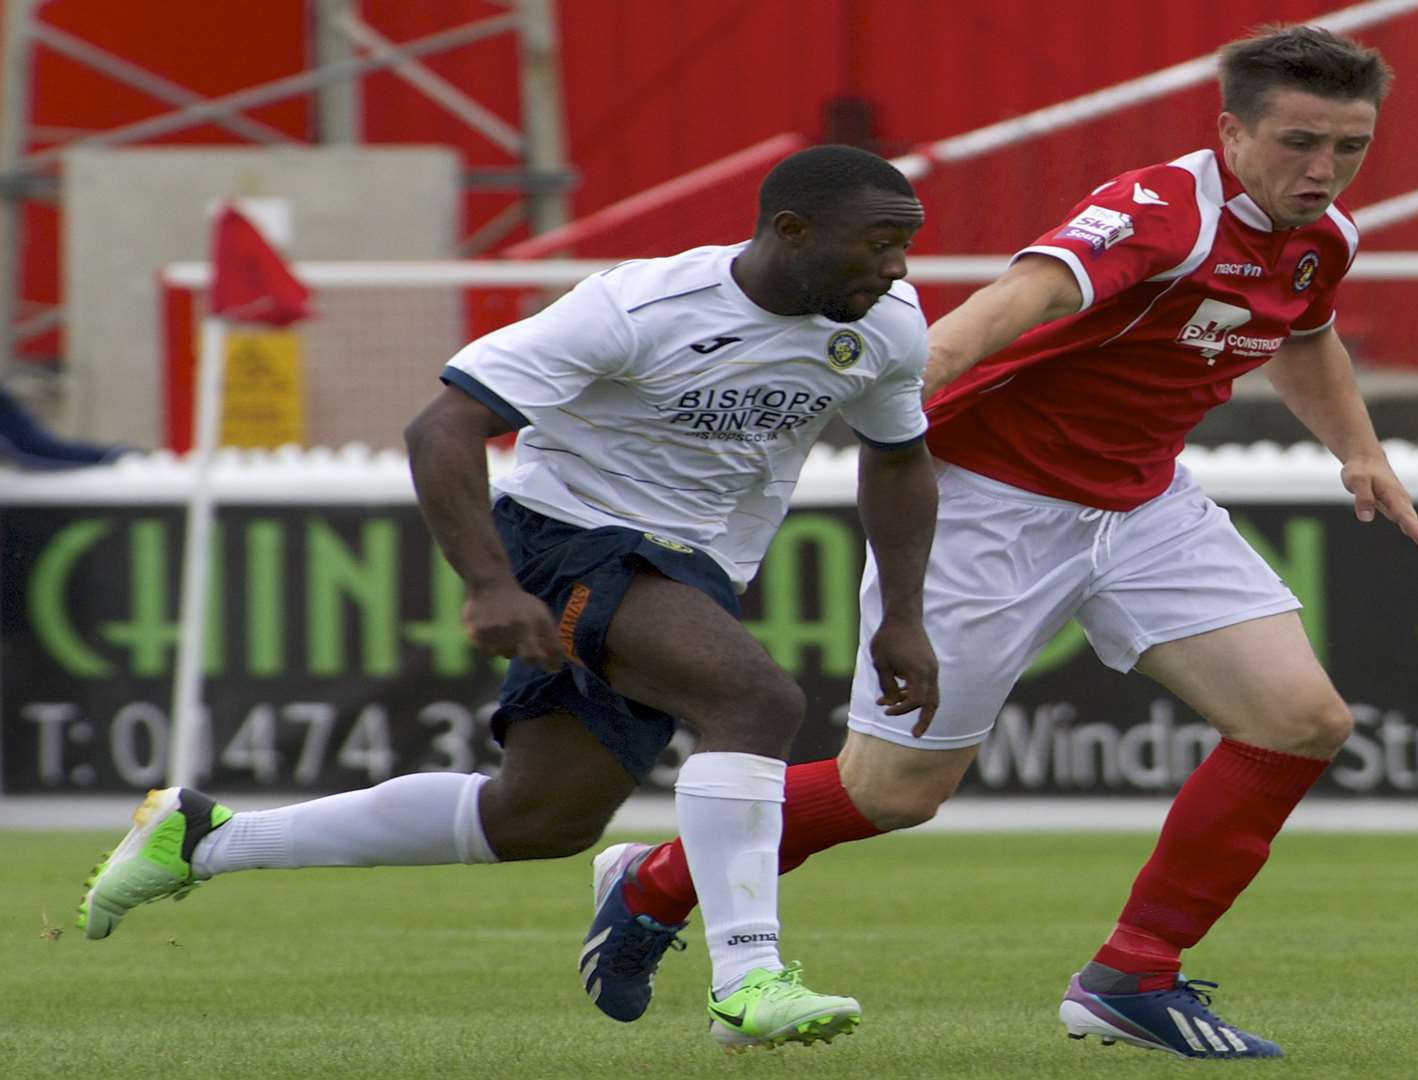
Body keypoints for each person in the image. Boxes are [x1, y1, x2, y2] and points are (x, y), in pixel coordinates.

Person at [594, 24, 1418, 1059]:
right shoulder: (1158, 212)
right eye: (1301, 142)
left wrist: (1360, 451)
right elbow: (1018, 300)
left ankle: (1134, 975)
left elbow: (1303, 331)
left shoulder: (1324, 237)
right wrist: (885, 397)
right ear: (1230, 130)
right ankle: (654, 881)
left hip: (1143, 504)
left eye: (1349, 147)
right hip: (986, 504)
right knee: (891, 794)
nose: (1324, 170)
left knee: (1302, 719)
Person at [75, 145, 942, 1053]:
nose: (896, 269)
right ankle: (747, 981)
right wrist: (490, 584)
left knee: (537, 818)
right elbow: (441, 425)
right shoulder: (637, 307)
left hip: (698, 572)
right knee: (756, 699)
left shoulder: (885, 324)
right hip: (567, 536)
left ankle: (203, 840)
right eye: (879, 245)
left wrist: (904, 616)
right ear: (790, 231)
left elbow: (897, 458)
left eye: (904, 248)